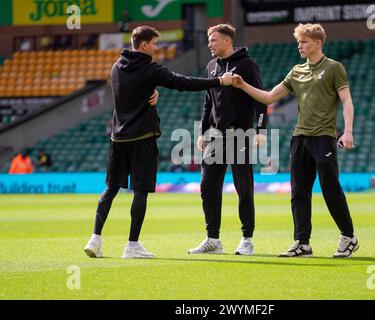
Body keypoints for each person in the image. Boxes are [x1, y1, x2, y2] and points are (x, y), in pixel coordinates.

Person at [83, 26, 234, 259]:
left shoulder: (116, 67)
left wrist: (152, 92)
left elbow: (129, 94)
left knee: (110, 188)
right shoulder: (150, 69)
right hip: (142, 138)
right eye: (154, 43)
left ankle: (95, 239)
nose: (157, 48)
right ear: (143, 45)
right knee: (140, 191)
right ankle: (132, 245)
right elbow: (183, 83)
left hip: (117, 138)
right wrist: (218, 82)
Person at [231, 23, 359, 258]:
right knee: (299, 192)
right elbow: (269, 97)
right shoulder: (296, 71)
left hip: (324, 137)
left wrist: (348, 131)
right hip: (299, 137)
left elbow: (347, 101)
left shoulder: (334, 68)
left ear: (317, 43)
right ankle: (302, 243)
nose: (299, 46)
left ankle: (348, 236)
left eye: (304, 42)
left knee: (330, 189)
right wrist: (242, 85)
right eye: (299, 42)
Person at [188, 24, 268, 256]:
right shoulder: (211, 67)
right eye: (209, 40)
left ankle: (247, 239)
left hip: (240, 134)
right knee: (207, 186)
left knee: (244, 187)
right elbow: (208, 102)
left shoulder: (247, 65)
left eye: (213, 40)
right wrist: (203, 131)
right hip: (215, 137)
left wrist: (261, 130)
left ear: (226, 41)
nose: (210, 44)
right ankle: (213, 239)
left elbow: (260, 99)